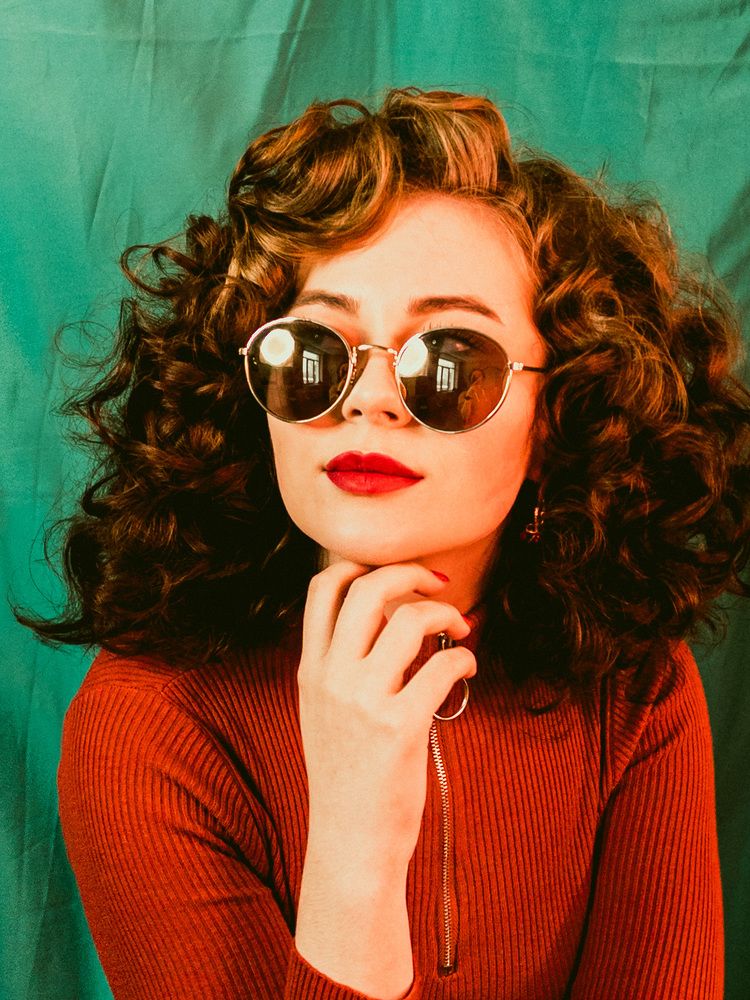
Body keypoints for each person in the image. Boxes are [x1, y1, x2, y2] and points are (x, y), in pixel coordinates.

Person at [20, 88, 749, 999]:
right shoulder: (151, 719)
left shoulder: (635, 684)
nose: (369, 400)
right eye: (316, 350)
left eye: (449, 360)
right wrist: (356, 835)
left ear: (559, 416)